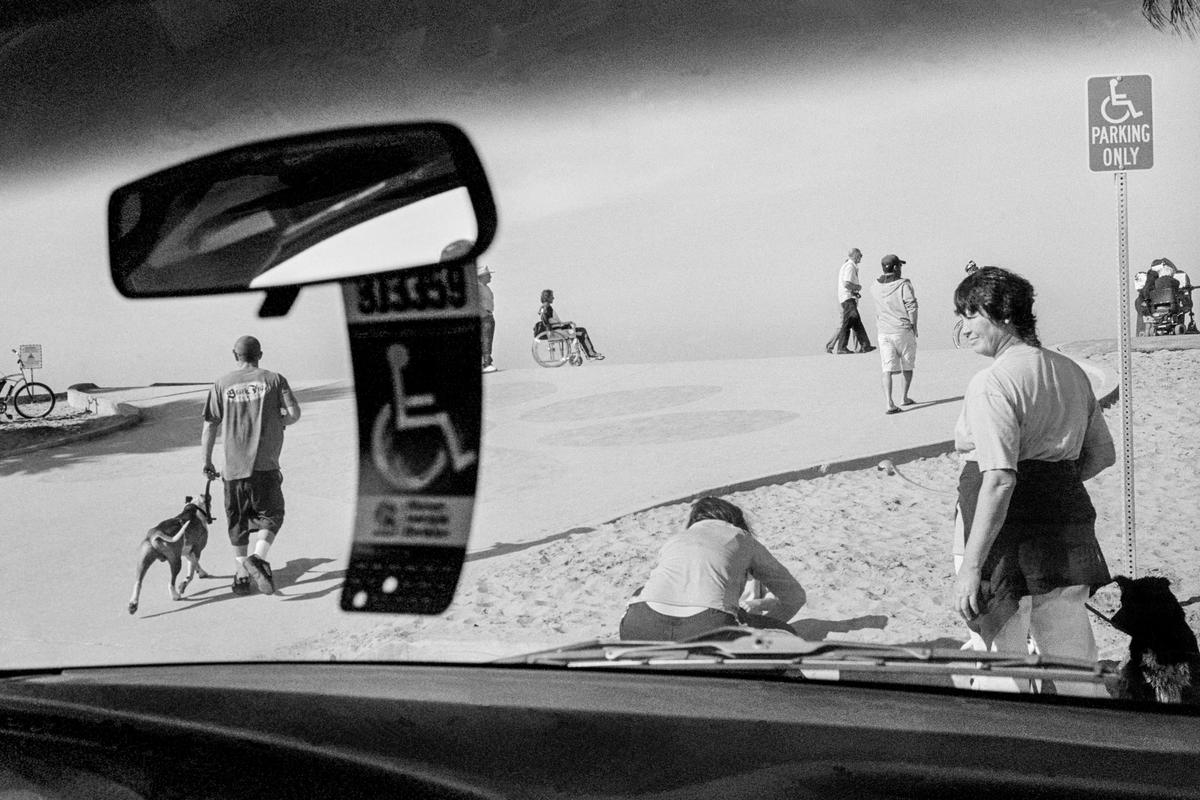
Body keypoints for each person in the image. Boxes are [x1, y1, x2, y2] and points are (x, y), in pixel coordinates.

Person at [951, 267, 1114, 696]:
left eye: (971, 315)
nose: (964, 329)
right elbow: (1102, 454)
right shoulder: (1070, 371)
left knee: (1001, 653)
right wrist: (1049, 485)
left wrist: (970, 567)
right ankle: (1092, 740)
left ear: (1002, 314)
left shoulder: (993, 381)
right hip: (1064, 520)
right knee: (1072, 650)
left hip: (1003, 530)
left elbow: (1001, 479)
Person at [619, 497, 806, 641]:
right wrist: (769, 624)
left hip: (637, 628)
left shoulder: (676, 539)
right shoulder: (743, 538)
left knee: (642, 591)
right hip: (708, 627)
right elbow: (794, 597)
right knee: (787, 635)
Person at [202, 335, 302, 596]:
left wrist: (207, 461)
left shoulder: (221, 384)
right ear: (260, 354)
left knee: (237, 523)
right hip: (265, 466)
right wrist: (279, 421)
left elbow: (210, 425)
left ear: (235, 355)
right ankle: (258, 558)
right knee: (272, 514)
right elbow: (294, 414)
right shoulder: (274, 379)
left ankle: (241, 576)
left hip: (232, 470)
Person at [869, 254, 918, 414]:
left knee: (887, 369)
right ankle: (904, 397)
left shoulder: (874, 286)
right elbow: (912, 306)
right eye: (900, 266)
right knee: (907, 365)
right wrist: (914, 326)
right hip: (902, 330)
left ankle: (889, 403)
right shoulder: (904, 285)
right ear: (896, 267)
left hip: (884, 331)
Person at [440, 239, 497, 373]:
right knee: (486, 340)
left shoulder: (483, 287)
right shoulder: (477, 287)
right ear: (482, 276)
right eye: (488, 274)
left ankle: (486, 362)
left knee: (486, 339)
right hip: (484, 316)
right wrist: (483, 312)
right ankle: (486, 363)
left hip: (487, 315)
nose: (490, 277)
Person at [827, 248, 875, 355]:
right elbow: (847, 284)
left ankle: (865, 345)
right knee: (848, 322)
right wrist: (857, 287)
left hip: (848, 297)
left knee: (856, 321)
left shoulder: (849, 266)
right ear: (855, 255)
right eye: (860, 255)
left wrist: (855, 291)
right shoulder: (850, 266)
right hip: (847, 298)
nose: (861, 257)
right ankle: (841, 347)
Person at [537, 289, 604, 360]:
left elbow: (550, 321)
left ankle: (590, 353)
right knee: (581, 332)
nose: (553, 298)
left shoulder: (544, 307)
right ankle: (590, 354)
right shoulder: (546, 307)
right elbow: (545, 320)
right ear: (547, 297)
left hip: (557, 329)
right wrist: (549, 330)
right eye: (551, 296)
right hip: (557, 331)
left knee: (581, 330)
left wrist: (565, 324)